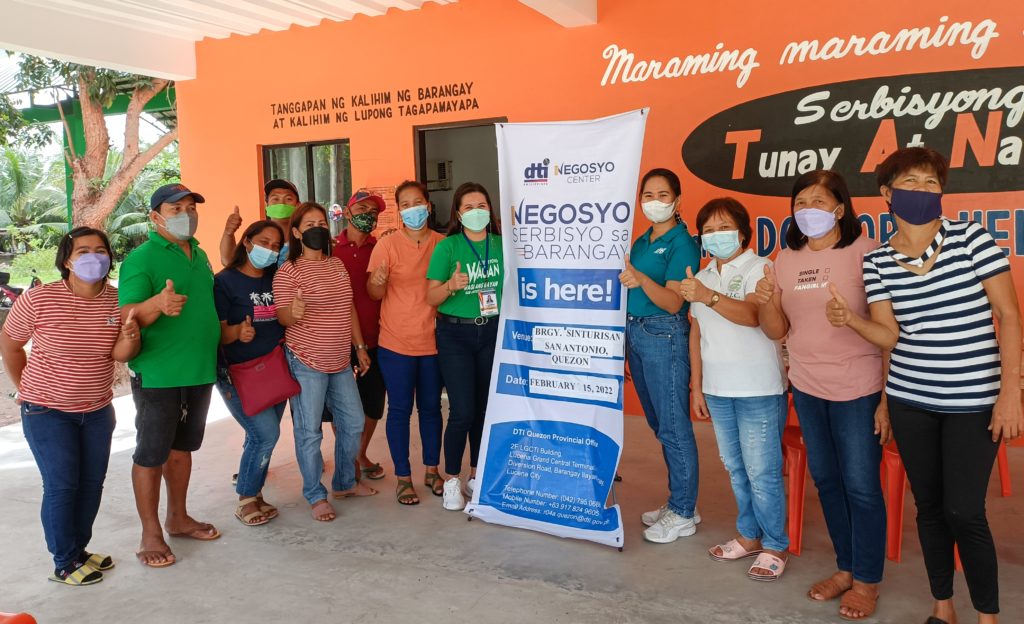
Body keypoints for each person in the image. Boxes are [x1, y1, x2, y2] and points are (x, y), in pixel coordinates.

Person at [831, 147, 1021, 624]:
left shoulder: (971, 239)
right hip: (910, 399)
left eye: (931, 183)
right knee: (930, 509)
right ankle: (943, 608)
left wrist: (1011, 392)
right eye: (910, 182)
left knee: (965, 512)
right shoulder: (878, 262)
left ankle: (988, 616)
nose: (921, 190)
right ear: (887, 193)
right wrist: (851, 323)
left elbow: (1010, 316)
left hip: (973, 402)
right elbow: (889, 336)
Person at [753, 170, 886, 620]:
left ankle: (867, 581)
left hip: (858, 387)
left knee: (862, 487)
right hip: (807, 387)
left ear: (840, 209)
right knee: (827, 480)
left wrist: (887, 397)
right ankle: (846, 568)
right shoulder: (784, 259)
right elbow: (778, 331)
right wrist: (768, 299)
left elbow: (889, 332)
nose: (807, 209)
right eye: (800, 201)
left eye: (818, 200)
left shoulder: (865, 252)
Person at [0, 228, 140, 585]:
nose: (94, 256)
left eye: (101, 250)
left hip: (96, 410)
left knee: (92, 484)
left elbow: (119, 355)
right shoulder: (39, 298)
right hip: (46, 411)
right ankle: (63, 562)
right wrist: (26, 390)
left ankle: (79, 550)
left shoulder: (118, 300)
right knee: (62, 485)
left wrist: (129, 340)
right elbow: (11, 345)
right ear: (67, 260)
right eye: (83, 250)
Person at [681, 198, 789, 580]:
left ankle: (776, 543)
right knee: (735, 468)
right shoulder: (703, 275)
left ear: (742, 232)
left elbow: (754, 317)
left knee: (763, 471)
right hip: (717, 387)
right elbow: (696, 333)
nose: (716, 235)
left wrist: (706, 296)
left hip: (759, 387)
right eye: (708, 230)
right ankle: (749, 536)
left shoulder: (762, 267)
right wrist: (697, 387)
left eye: (723, 227)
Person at [119, 183, 223, 568]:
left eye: (191, 207)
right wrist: (156, 304)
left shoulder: (200, 253)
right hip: (159, 373)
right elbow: (125, 313)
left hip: (198, 370)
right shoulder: (142, 259)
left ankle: (177, 517)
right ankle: (150, 533)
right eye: (176, 208)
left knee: (182, 449)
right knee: (151, 454)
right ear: (155, 216)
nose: (186, 214)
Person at [274, 201, 375, 522]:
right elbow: (282, 316)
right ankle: (315, 495)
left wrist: (359, 346)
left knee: (354, 422)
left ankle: (345, 482)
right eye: (309, 225)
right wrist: (294, 312)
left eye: (321, 223)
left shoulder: (336, 266)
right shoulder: (288, 271)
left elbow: (349, 308)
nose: (318, 228)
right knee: (309, 432)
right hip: (306, 362)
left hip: (341, 361)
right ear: (296, 233)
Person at [620, 168, 701, 544]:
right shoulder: (641, 240)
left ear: (677, 200)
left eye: (663, 194)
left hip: (663, 334)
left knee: (673, 427)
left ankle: (684, 511)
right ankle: (679, 501)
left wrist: (640, 280)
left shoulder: (683, 243)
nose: (654, 202)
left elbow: (672, 302)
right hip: (636, 333)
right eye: (648, 195)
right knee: (659, 423)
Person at [426, 181, 503, 511]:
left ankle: (477, 473)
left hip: (493, 333)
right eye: (469, 207)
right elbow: (431, 296)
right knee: (462, 411)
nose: (476, 212)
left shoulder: (502, 245)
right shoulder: (448, 247)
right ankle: (453, 479)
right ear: (458, 213)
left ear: (490, 210)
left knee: (485, 411)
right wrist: (450, 286)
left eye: (482, 206)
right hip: (455, 335)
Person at [368, 181, 444, 505]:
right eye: (405, 204)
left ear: (428, 205)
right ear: (399, 210)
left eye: (418, 202)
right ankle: (403, 477)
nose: (412, 209)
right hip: (396, 343)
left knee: (431, 409)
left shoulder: (444, 244)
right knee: (399, 410)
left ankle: (432, 470)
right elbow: (374, 293)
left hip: (435, 342)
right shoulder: (386, 246)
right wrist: (378, 282)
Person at [214, 220, 288, 526]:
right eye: (263, 242)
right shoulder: (225, 282)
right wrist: (237, 332)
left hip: (274, 368)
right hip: (238, 372)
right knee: (266, 433)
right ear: (247, 243)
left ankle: (255, 494)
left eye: (275, 246)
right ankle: (245, 497)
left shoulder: (277, 277)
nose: (269, 250)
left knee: (259, 435)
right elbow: (216, 333)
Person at [332, 190, 388, 483]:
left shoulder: (382, 249)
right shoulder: (330, 250)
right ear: (349, 211)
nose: (369, 215)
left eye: (374, 211)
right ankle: (348, 458)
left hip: (377, 339)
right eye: (363, 208)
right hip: (339, 341)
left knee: (373, 404)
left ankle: (358, 453)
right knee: (341, 406)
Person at [220, 179, 300, 266]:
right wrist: (228, 232)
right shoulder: (257, 234)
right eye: (275, 199)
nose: (281, 203)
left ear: (298, 205)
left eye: (288, 199)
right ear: (267, 205)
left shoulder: (304, 237)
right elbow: (228, 261)